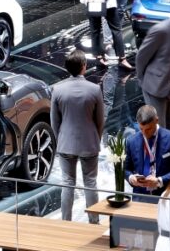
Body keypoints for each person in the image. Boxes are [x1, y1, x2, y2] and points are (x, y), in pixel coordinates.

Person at [50, 49, 104, 224]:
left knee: (67, 183)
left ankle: (66, 222)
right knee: (90, 183)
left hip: (66, 143)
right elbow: (99, 120)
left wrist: (60, 140)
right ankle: (94, 222)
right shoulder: (95, 89)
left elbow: (54, 122)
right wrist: (96, 138)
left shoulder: (57, 90)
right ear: (84, 66)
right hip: (89, 143)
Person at [135, 0, 170, 131]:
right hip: (156, 87)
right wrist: (143, 80)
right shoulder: (161, 30)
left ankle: (169, 152)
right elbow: (141, 57)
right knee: (159, 131)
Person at [125, 105, 170, 197]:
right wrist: (131, 178)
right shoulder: (131, 141)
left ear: (156, 121)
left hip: (166, 195)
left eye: (148, 129)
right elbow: (126, 169)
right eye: (141, 129)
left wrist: (160, 181)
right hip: (140, 197)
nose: (145, 133)